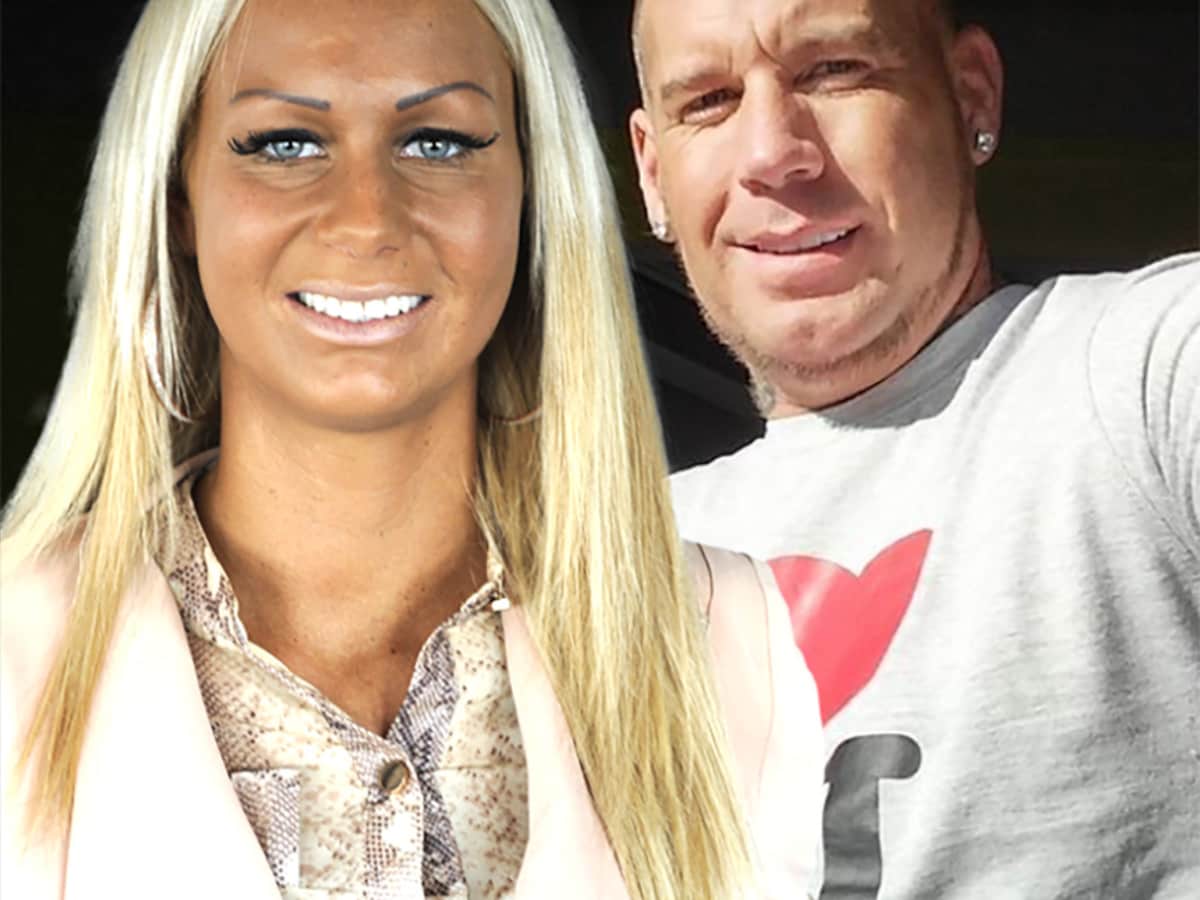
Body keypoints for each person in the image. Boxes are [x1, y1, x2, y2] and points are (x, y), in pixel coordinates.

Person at [0, 0, 826, 897]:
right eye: (283, 143)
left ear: (531, 195)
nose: (367, 220)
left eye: (438, 141)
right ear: (180, 203)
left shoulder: (726, 638)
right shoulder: (17, 648)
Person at [627, 0, 1200, 897]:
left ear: (971, 95)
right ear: (654, 173)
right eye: (708, 100)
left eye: (834, 70)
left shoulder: (1145, 367)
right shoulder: (616, 555)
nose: (773, 152)